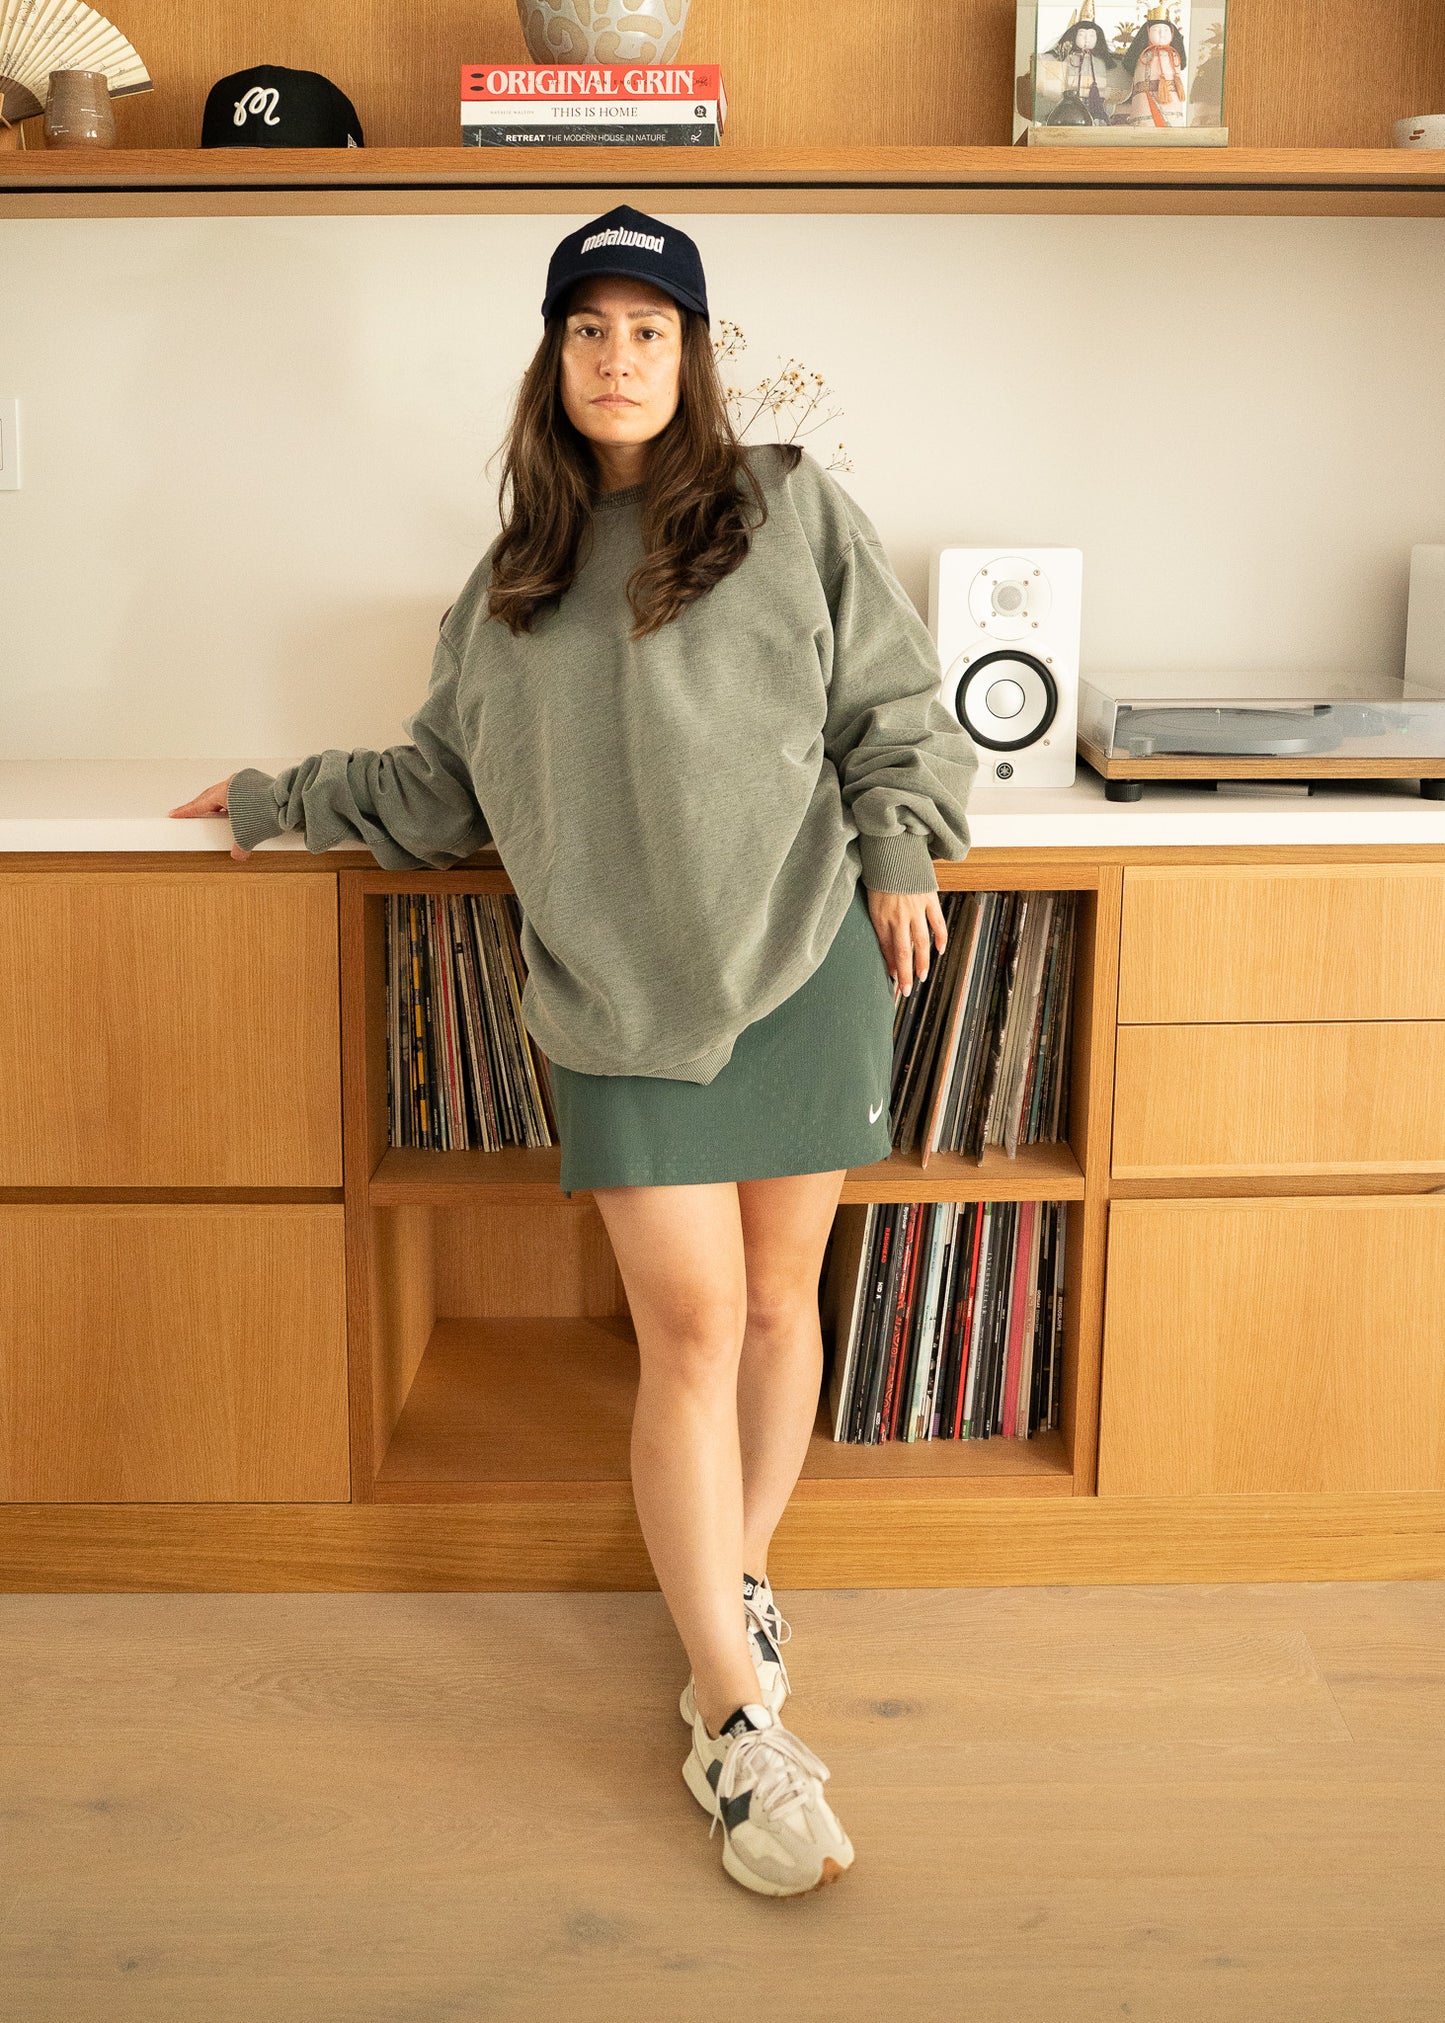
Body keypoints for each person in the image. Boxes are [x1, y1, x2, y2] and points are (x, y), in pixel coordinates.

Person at [169, 203, 979, 1898]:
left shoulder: (785, 509)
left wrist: (898, 849)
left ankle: (731, 1597)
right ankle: (735, 1722)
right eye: (589, 329)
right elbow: (437, 788)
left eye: (650, 330)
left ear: (692, 357)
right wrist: (271, 800)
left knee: (775, 1307)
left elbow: (886, 710)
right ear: (553, 360)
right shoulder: (515, 577)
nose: (618, 357)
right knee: (687, 1329)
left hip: (802, 957)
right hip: (615, 997)